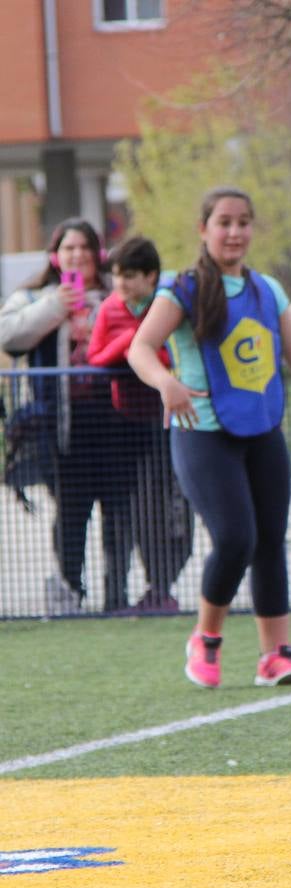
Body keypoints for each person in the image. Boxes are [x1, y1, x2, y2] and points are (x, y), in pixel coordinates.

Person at [127, 187, 291, 689]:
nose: (234, 231)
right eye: (223, 222)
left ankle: (276, 656)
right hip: (203, 433)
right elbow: (141, 347)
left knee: (270, 541)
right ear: (203, 230)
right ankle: (206, 638)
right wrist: (167, 383)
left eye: (243, 222)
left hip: (263, 432)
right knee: (234, 538)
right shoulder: (180, 290)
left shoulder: (267, 290)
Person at [0, 218, 137, 613]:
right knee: (72, 513)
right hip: (62, 426)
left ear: (99, 254)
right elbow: (10, 338)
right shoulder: (34, 298)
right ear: (55, 257)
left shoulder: (118, 294)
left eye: (84, 248)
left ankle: (118, 594)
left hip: (115, 421)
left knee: (119, 509)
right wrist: (54, 307)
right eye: (68, 248)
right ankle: (70, 590)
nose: (77, 255)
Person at [88, 235, 193, 612]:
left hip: (171, 421)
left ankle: (162, 585)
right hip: (125, 424)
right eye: (117, 275)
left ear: (152, 277)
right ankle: (133, 590)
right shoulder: (110, 310)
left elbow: (177, 354)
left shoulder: (172, 305)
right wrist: (135, 342)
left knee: (176, 510)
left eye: (130, 275)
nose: (121, 284)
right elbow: (96, 357)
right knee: (133, 511)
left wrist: (148, 351)